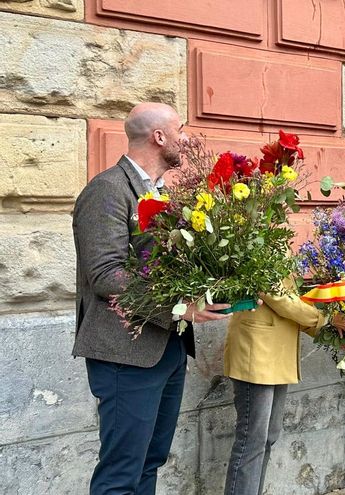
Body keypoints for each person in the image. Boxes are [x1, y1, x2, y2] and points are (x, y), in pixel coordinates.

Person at [72, 102, 232, 494]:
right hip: (125, 355)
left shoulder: (162, 193)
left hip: (168, 348)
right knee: (121, 472)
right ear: (159, 137)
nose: (187, 138)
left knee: (150, 461)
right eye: (181, 129)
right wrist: (180, 308)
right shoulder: (107, 190)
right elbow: (105, 275)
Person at [223, 281, 345, 494]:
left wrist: (334, 331)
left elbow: (293, 301)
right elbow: (279, 297)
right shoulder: (263, 258)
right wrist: (325, 320)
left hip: (276, 352)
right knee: (252, 440)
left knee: (268, 437)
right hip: (255, 349)